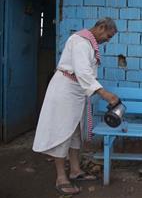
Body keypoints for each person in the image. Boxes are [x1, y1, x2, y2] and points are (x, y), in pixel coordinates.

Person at [33, 17, 119, 195]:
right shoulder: (80, 41)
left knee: (74, 132)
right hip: (65, 90)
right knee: (62, 132)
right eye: (108, 36)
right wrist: (104, 94)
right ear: (101, 27)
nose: (108, 40)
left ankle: (75, 170)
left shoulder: (88, 43)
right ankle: (61, 177)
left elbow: (85, 76)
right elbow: (83, 73)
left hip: (76, 91)